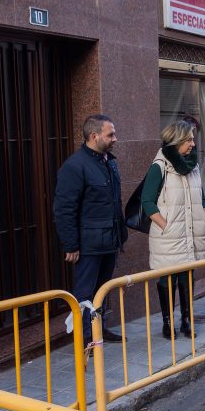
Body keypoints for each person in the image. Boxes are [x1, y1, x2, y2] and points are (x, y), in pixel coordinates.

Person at [54, 114, 127, 342]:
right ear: (94, 136)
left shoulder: (109, 162)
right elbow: (64, 208)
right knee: (84, 293)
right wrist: (71, 244)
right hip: (89, 245)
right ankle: (84, 338)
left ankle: (98, 329)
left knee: (102, 292)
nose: (115, 138)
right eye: (110, 134)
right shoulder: (74, 166)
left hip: (109, 240)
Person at [142, 120, 205, 339]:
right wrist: (165, 225)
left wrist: (204, 212)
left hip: (191, 231)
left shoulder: (193, 164)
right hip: (169, 236)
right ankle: (167, 322)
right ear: (177, 140)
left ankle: (186, 321)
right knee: (167, 278)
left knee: (186, 276)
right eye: (188, 139)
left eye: (193, 138)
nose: (193, 143)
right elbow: (147, 201)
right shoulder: (160, 165)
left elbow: (200, 194)